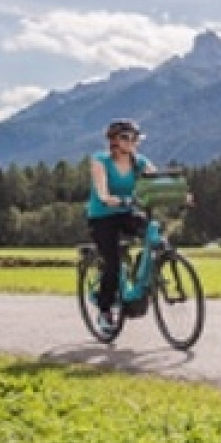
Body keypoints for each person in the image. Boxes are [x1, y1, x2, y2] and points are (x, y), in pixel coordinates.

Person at [85, 118, 155, 335]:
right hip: (103, 217)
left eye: (136, 137)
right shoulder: (100, 160)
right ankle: (105, 310)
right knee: (113, 264)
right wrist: (105, 196)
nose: (132, 141)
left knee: (153, 235)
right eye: (127, 137)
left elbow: (157, 180)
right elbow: (100, 183)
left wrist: (180, 194)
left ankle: (143, 279)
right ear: (114, 140)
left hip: (127, 213)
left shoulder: (140, 162)